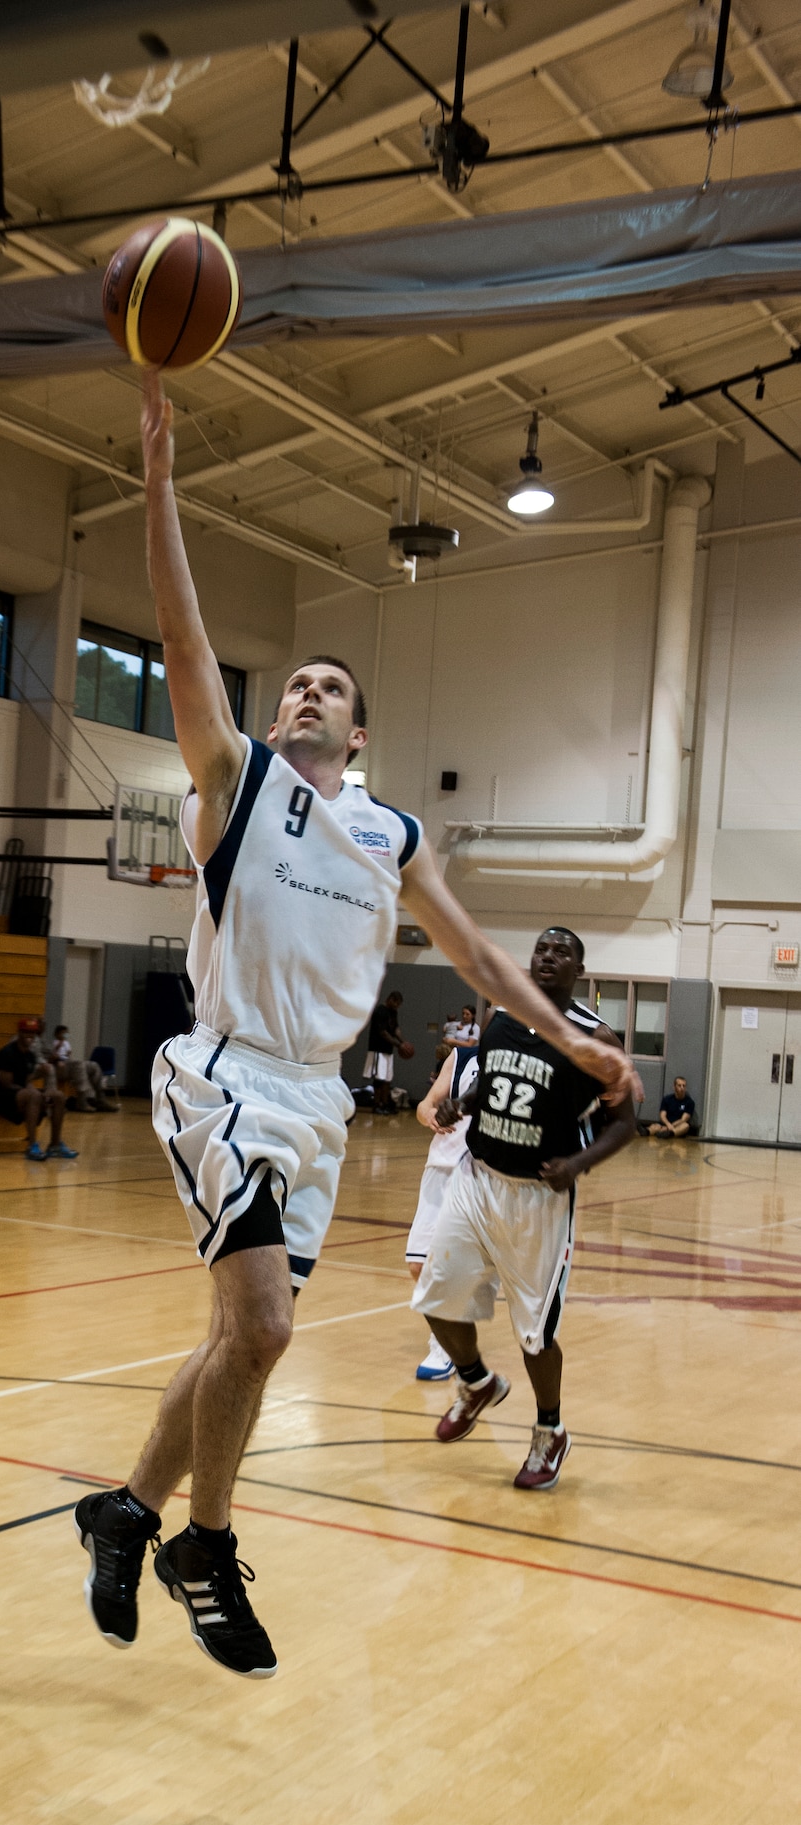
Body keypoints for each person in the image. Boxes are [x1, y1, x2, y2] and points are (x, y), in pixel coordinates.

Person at [71, 369, 638, 1680]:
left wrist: (573, 1040)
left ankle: (128, 1509)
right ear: (276, 718)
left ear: (360, 731)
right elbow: (176, 644)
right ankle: (201, 1543)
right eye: (297, 686)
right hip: (220, 1073)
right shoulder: (238, 780)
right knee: (264, 1330)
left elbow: (480, 957)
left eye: (332, 688)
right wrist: (156, 478)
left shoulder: (389, 833)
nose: (310, 695)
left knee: (234, 1339)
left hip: (317, 1102)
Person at [413, 927, 637, 1493]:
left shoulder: (594, 1037)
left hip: (538, 1197)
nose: (547, 957)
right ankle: (476, 1382)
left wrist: (579, 1163)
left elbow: (626, 1123)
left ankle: (550, 1429)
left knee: (535, 1333)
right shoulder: (503, 1016)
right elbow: (491, 1081)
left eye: (561, 952)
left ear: (578, 970)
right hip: (476, 1177)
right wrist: (459, 1104)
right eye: (541, 948)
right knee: (436, 1299)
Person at [406, 1041, 481, 1383]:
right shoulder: (462, 1057)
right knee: (418, 1264)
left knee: (452, 1264)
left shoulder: (522, 1056)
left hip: (482, 1173)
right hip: (440, 1166)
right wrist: (429, 1115)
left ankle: (445, 1346)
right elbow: (426, 1105)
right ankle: (454, 1334)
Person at [0, 1016, 77, 1161]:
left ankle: (55, 1145)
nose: (30, 1036)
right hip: (1, 1098)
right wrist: (33, 1092)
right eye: (26, 1032)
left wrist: (39, 1076)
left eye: (32, 1033)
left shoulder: (30, 1055)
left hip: (21, 1094)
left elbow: (26, 1080)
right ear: (19, 1033)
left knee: (58, 1096)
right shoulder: (7, 1053)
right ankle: (32, 1146)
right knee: (34, 1096)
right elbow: (6, 1084)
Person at [50, 1023, 117, 1112]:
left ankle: (100, 1100)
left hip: (67, 1063)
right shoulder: (53, 1043)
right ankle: (82, 1101)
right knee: (78, 1064)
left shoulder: (65, 1043)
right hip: (56, 1066)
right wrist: (56, 1059)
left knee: (93, 1065)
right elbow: (47, 1059)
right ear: (57, 1034)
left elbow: (69, 1053)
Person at [363, 989, 403, 1114]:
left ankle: (385, 1104)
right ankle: (377, 1105)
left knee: (387, 1079)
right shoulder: (380, 1011)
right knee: (379, 1079)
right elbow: (383, 1033)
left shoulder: (393, 1012)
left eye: (399, 1004)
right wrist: (398, 1045)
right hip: (377, 1049)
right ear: (390, 999)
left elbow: (395, 1029)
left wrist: (403, 1042)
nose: (397, 1006)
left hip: (388, 1050)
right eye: (395, 1003)